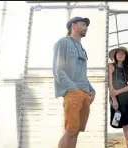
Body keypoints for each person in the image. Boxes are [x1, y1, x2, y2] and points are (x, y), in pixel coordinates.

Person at [52, 16, 96, 148]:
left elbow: (82, 74)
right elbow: (58, 70)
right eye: (83, 24)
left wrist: (91, 90)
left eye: (86, 25)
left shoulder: (82, 48)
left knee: (76, 132)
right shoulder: (63, 42)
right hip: (73, 92)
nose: (86, 27)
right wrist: (73, 88)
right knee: (70, 131)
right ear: (74, 26)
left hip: (85, 93)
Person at [108, 46, 128, 148]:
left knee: (127, 125)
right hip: (116, 99)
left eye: (123, 53)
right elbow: (110, 85)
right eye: (118, 53)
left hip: (127, 99)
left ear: (126, 56)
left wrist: (117, 91)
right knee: (122, 124)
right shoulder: (111, 66)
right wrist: (114, 99)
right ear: (115, 55)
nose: (120, 55)